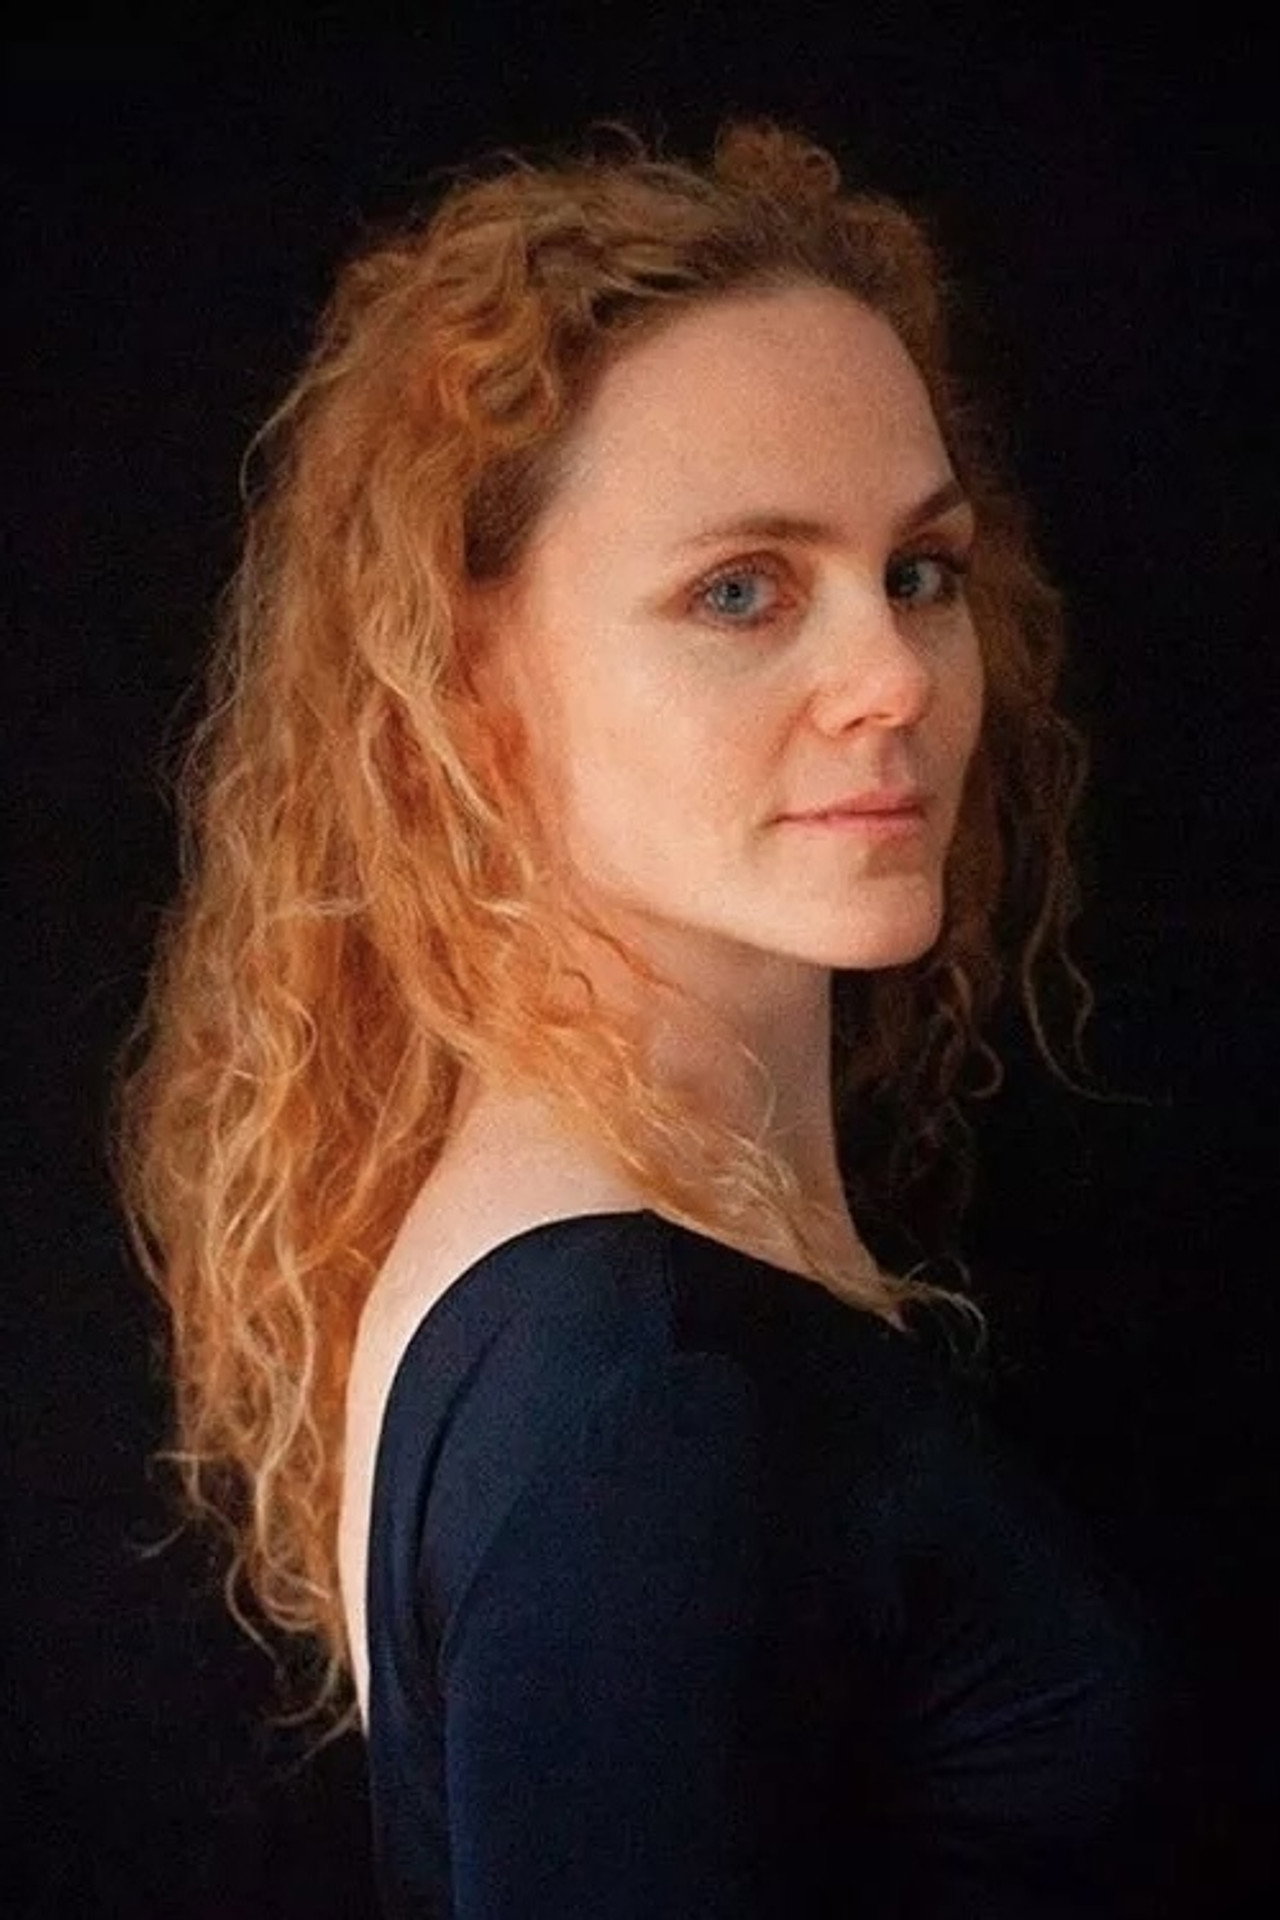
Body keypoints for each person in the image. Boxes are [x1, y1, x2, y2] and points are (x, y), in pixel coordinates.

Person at [119, 122, 1164, 1916]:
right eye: (740, 591)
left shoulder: (639, 1278)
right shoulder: (642, 1394)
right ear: (466, 685)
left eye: (920, 572)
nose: (894, 677)